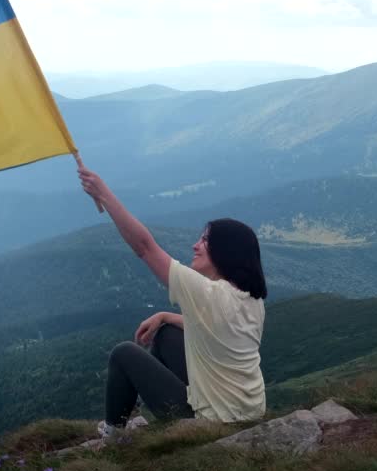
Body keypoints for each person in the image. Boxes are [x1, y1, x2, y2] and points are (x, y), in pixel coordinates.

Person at [78, 160, 268, 428]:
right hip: (249, 411)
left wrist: (104, 195)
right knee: (167, 333)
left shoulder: (208, 294)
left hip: (213, 420)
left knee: (124, 353)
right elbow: (216, 330)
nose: (195, 245)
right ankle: (153, 409)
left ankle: (114, 433)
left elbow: (144, 247)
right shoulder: (252, 299)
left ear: (224, 251)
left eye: (204, 240)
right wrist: (167, 316)